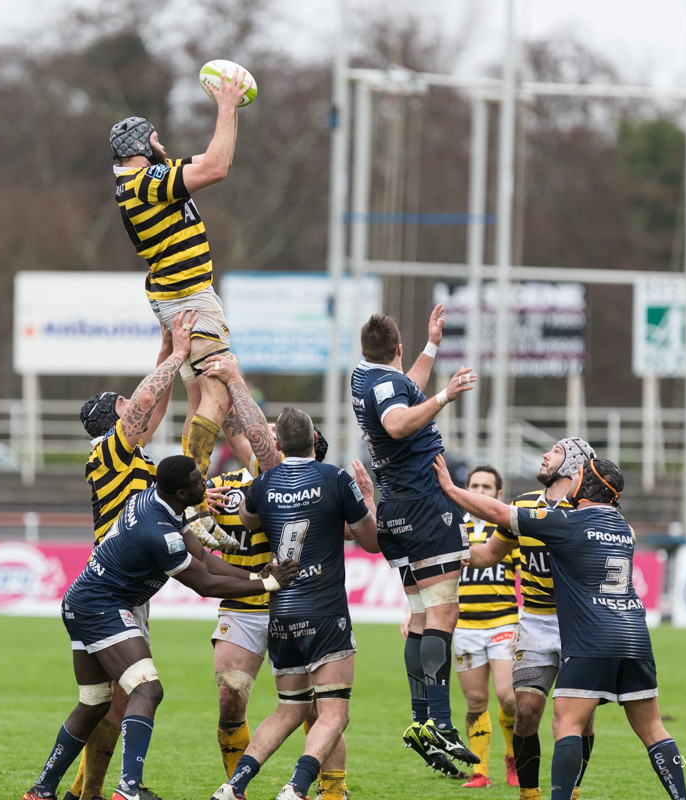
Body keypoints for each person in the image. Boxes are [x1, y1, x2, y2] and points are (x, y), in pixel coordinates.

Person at [21, 455, 299, 800]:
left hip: (84, 600)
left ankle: (41, 790)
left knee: (93, 702)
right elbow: (205, 584)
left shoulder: (158, 500)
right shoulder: (159, 532)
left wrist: (258, 576)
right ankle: (129, 789)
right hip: (100, 606)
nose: (205, 481)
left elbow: (203, 558)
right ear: (183, 492)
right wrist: (267, 586)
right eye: (199, 480)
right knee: (147, 690)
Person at [434, 455, 686, 800]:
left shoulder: (567, 522)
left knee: (566, 725)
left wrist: (449, 488)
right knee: (653, 729)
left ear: (586, 486)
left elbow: (496, 514)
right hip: (633, 634)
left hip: (588, 635)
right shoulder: (623, 528)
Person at [65, 311, 209, 800]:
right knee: (124, 697)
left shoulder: (131, 456)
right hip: (114, 588)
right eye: (127, 405)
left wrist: (169, 348)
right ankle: (96, 792)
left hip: (124, 585)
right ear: (117, 417)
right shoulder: (108, 450)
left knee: (112, 699)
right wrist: (181, 356)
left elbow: (152, 402)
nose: (139, 403)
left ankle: (84, 792)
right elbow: (147, 402)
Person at [211, 407, 382, 800]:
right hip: (324, 612)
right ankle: (297, 787)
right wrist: (368, 501)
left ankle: (233, 786)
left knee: (288, 709)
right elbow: (371, 542)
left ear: (279, 445)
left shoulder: (262, 484)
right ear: (314, 440)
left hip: (281, 613)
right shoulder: (336, 478)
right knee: (334, 712)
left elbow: (249, 521)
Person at [200, 357, 349, 800]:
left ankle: (332, 788)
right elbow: (209, 535)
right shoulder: (225, 482)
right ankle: (238, 786)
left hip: (289, 598)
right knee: (232, 700)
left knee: (313, 709)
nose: (259, 436)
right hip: (245, 601)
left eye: (267, 433)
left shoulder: (275, 476)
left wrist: (229, 376)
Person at [349, 305, 480, 774]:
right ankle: (442, 722)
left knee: (423, 615)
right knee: (443, 610)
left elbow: (402, 392)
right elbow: (397, 422)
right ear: (396, 350)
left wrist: (431, 347)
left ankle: (422, 719)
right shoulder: (385, 387)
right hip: (425, 504)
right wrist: (446, 394)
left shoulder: (367, 377)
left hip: (397, 508)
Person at [109, 65, 251, 479]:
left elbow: (211, 158)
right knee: (219, 392)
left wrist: (233, 109)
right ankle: (191, 486)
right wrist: (224, 105)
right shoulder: (143, 181)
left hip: (180, 295)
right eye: (155, 139)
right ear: (138, 143)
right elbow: (217, 169)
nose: (162, 144)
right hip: (188, 296)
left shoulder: (148, 178)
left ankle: (203, 483)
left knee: (199, 397)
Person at [465, 439, 597, 800]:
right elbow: (489, 554)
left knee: (576, 722)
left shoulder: (590, 509)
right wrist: (451, 551)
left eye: (554, 451)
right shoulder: (521, 506)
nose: (544, 455)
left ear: (573, 464)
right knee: (525, 710)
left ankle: (571, 790)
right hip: (536, 622)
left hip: (580, 626)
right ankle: (530, 794)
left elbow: (621, 539)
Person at [452, 466, 520, 789]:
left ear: (498, 495)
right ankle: (480, 772)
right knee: (476, 702)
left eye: (486, 486)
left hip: (503, 623)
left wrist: (527, 620)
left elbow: (530, 577)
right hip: (465, 626)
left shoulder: (507, 529)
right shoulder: (452, 528)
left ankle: (513, 757)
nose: (479, 490)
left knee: (508, 695)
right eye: (474, 485)